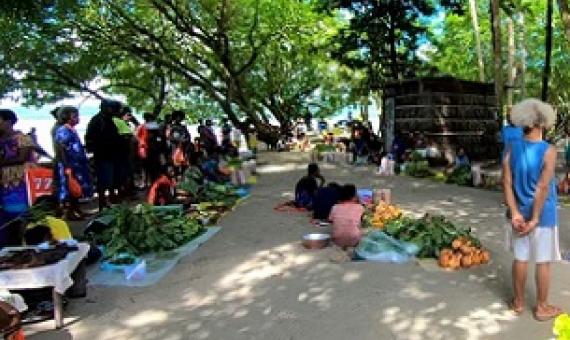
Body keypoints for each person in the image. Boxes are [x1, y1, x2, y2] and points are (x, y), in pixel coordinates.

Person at [503, 98, 561, 321]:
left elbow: (506, 183)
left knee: (520, 258)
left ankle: (518, 303)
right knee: (543, 261)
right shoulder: (548, 150)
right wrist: (535, 218)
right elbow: (543, 186)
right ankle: (542, 307)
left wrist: (516, 212)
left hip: (519, 214)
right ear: (542, 123)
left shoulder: (512, 147)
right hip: (542, 215)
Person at [54, 106, 92, 220]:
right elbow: (61, 149)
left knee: (76, 189)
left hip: (77, 165)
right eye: (75, 116)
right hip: (69, 165)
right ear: (67, 117)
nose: (78, 118)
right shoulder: (63, 130)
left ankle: (77, 210)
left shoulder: (71, 129)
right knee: (69, 189)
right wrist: (66, 166)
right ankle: (69, 213)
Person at [0, 110, 35, 232]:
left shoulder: (22, 138)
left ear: (9, 121)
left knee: (19, 213)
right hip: (3, 182)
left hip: (18, 181)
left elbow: (22, 158)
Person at [85, 100, 122, 211]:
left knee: (110, 179)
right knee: (103, 180)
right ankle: (102, 202)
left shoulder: (109, 120)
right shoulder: (97, 120)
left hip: (111, 154)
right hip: (102, 155)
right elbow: (90, 138)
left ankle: (106, 201)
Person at [329, 184, 365, 248]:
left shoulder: (334, 207)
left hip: (337, 240)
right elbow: (362, 221)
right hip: (355, 240)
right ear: (354, 196)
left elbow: (331, 221)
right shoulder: (360, 207)